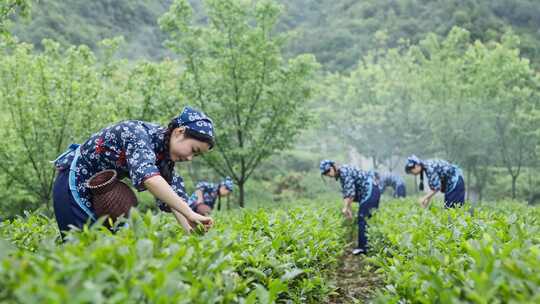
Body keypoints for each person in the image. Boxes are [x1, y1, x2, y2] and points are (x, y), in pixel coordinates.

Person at [52, 106, 214, 238]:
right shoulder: (138, 135)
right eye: (193, 150)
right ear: (180, 132)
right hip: (73, 183)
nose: (190, 158)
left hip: (100, 194)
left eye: (196, 155)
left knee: (103, 250)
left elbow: (175, 201)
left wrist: (192, 232)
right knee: (79, 247)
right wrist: (191, 214)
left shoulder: (165, 158)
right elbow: (150, 179)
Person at [320, 160, 380, 255]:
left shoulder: (344, 172)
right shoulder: (343, 173)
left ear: (333, 167)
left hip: (370, 190)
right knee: (368, 218)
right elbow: (346, 193)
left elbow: (350, 193)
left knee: (362, 218)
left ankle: (363, 248)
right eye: (325, 173)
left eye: (328, 171)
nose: (328, 174)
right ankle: (372, 246)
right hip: (372, 190)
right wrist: (348, 208)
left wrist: (345, 208)